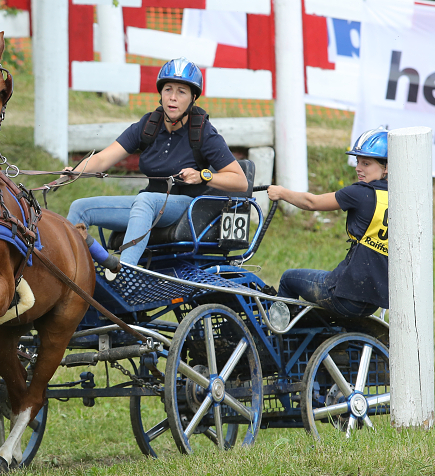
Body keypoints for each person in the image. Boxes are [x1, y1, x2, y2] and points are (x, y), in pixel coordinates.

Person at [64, 58, 248, 275]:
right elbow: (103, 159)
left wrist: (203, 176)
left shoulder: (204, 132)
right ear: (160, 94)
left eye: (181, 92)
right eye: (168, 89)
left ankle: (127, 274)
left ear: (193, 98)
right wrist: (74, 171)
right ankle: (63, 277)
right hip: (148, 206)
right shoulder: (149, 125)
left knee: (145, 200)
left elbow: (240, 180)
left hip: (186, 208)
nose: (172, 97)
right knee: (80, 207)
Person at [266, 128, 389, 317]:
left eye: (366, 163)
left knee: (288, 278)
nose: (358, 168)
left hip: (345, 295)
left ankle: (278, 339)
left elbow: (311, 202)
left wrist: (281, 193)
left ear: (386, 167)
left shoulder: (360, 193)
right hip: (374, 301)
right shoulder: (400, 199)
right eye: (357, 162)